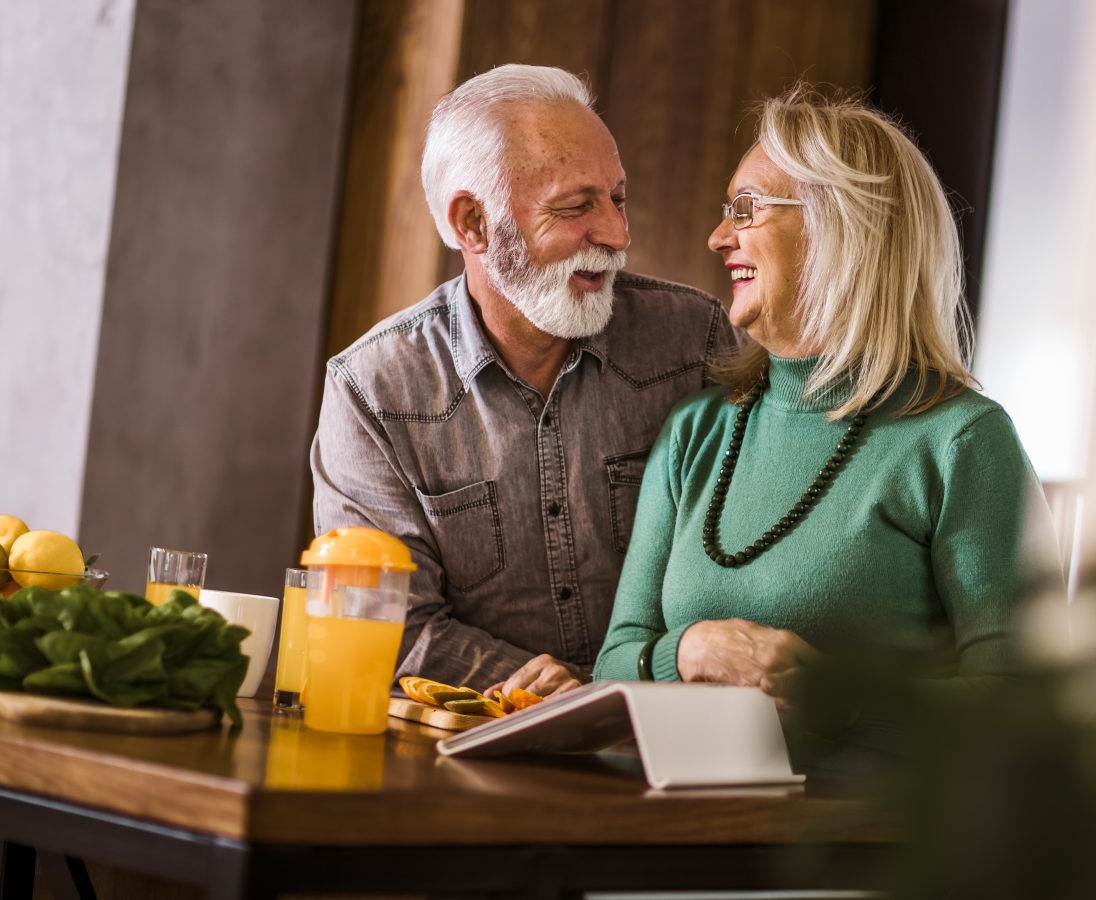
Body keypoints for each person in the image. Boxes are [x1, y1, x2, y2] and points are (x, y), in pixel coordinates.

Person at [594, 89, 1054, 704]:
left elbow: (1024, 706)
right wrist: (690, 650)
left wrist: (841, 702)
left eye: (745, 208)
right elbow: (614, 662)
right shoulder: (693, 433)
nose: (718, 237)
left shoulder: (963, 442)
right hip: (672, 795)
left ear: (840, 226)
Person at [312, 65, 736, 697]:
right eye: (575, 207)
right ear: (473, 225)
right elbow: (388, 626)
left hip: (674, 740)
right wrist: (538, 690)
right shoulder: (373, 389)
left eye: (618, 199)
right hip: (473, 757)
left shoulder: (691, 340)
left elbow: (755, 556)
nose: (618, 237)